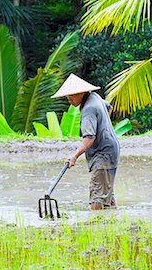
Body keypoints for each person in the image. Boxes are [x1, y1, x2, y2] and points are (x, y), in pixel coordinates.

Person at [51, 73, 120, 210]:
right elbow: (109, 107)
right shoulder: (95, 97)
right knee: (107, 194)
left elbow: (89, 138)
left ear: (81, 92)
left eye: (72, 94)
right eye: (67, 95)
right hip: (111, 150)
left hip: (103, 154)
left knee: (97, 197)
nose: (69, 99)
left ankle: (95, 226)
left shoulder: (88, 109)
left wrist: (74, 156)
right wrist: (103, 127)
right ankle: (114, 222)